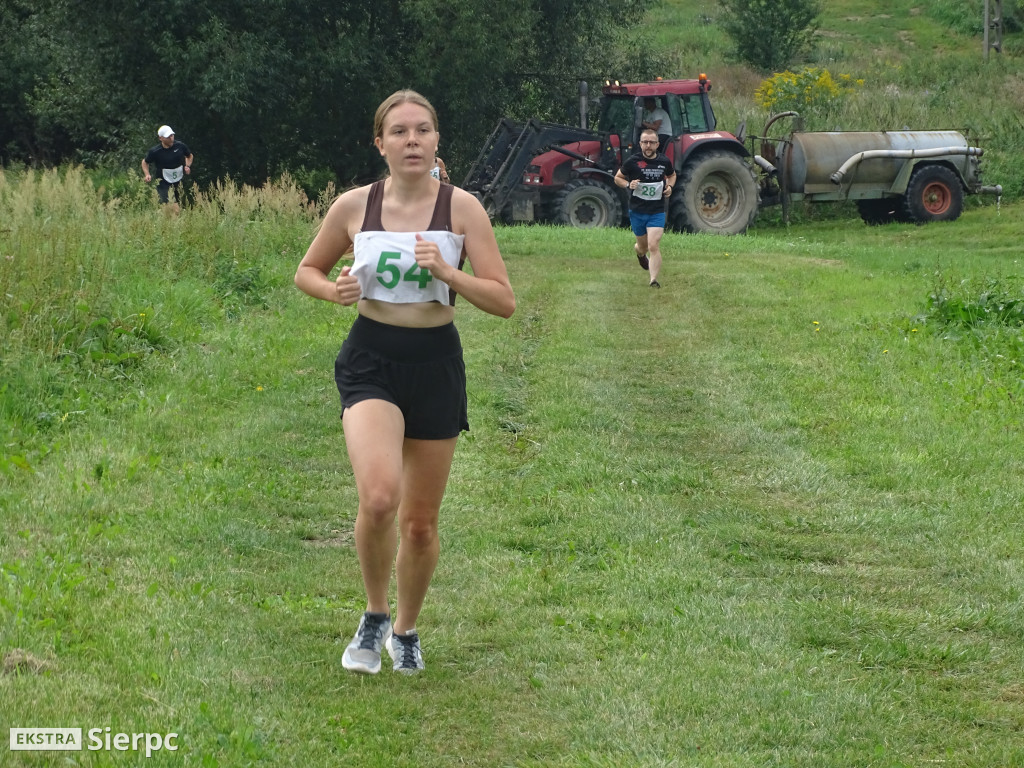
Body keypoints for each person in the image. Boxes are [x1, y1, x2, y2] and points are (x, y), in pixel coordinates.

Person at [294, 90, 515, 675]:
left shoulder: (463, 209)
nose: (411, 140)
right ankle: (372, 614)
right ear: (381, 143)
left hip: (436, 364)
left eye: (422, 130)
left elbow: (504, 301)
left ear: (437, 141)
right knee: (380, 496)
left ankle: (406, 629)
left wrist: (448, 273)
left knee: (419, 524)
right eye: (399, 132)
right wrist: (332, 290)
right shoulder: (353, 206)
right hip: (371, 358)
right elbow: (307, 271)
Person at [614, 127, 676, 288]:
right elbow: (617, 178)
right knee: (642, 246)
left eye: (651, 142)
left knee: (653, 245)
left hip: (657, 210)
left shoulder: (664, 161)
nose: (648, 145)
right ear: (640, 144)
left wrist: (670, 187)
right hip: (637, 210)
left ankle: (653, 280)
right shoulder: (632, 162)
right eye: (645, 142)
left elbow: (672, 175)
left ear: (657, 144)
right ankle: (640, 254)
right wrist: (629, 184)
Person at [141, 125, 193, 213]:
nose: (171, 138)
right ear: (160, 138)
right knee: (174, 209)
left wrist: (187, 166)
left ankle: (162, 218)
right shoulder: (155, 151)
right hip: (163, 182)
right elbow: (145, 162)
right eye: (168, 137)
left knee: (173, 210)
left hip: (178, 181)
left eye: (172, 135)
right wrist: (147, 174)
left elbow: (189, 156)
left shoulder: (180, 146)